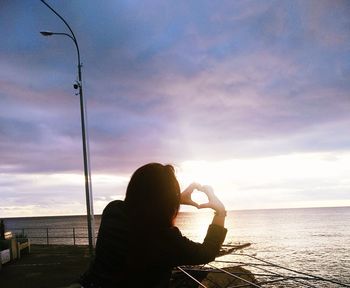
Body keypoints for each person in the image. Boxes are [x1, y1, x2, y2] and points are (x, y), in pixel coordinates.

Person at [80, 163, 227, 288]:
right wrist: (220, 212)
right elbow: (207, 252)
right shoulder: (165, 239)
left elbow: (142, 206)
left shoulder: (113, 211)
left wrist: (174, 199)